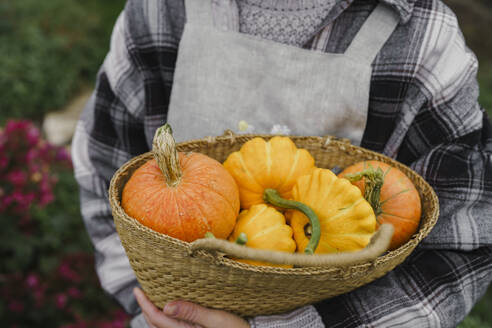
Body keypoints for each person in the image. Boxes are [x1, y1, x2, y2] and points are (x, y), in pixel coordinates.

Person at [72, 0, 492, 327]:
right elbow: (104, 165)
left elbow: (461, 244)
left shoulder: (423, 39)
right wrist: (154, 302)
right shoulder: (158, 11)